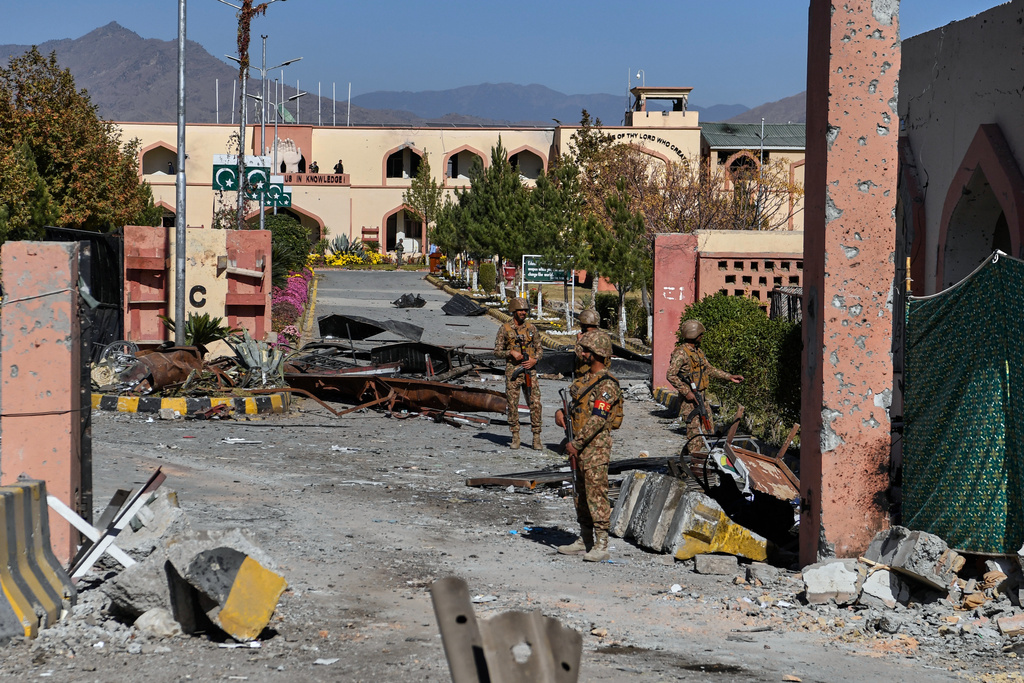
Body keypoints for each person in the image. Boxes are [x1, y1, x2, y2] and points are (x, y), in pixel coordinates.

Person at [555, 329, 622, 562]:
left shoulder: (608, 384)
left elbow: (597, 419)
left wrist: (577, 443)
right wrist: (561, 413)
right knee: (580, 494)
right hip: (579, 446)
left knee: (596, 494)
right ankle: (585, 538)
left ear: (597, 354)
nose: (582, 353)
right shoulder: (584, 380)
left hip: (595, 447)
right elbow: (576, 408)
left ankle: (601, 544)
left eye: (586, 350)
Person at [666, 319, 743, 455]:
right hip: (689, 402)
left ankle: (684, 460)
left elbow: (709, 369)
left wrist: (729, 376)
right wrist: (686, 392)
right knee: (695, 437)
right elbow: (671, 375)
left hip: (701, 397)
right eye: (701, 335)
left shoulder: (698, 352)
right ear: (695, 335)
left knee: (708, 433)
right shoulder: (681, 353)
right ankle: (689, 467)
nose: (702, 337)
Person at [494, 297, 543, 450]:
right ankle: (515, 435)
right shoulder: (505, 328)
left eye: (525, 310)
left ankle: (536, 437)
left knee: (535, 403)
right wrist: (511, 353)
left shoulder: (532, 329)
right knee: (512, 404)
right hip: (513, 371)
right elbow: (497, 352)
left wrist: (534, 360)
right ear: (514, 311)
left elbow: (540, 350)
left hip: (530, 371)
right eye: (520, 310)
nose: (523, 313)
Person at [573, 309, 601, 377]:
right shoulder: (602, 336)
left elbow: (580, 356)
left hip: (587, 375)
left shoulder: (587, 338)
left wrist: (579, 341)